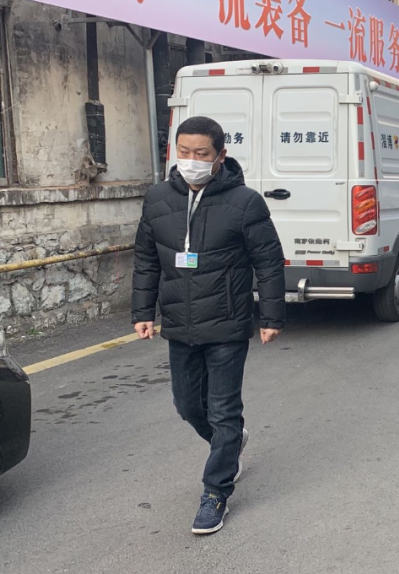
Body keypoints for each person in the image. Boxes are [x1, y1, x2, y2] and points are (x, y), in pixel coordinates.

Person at [132, 115, 287, 535]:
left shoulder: (245, 202)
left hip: (227, 323)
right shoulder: (158, 198)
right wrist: (143, 312)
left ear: (220, 156)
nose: (191, 160)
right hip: (179, 324)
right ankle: (231, 441)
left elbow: (268, 261)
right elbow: (146, 259)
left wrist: (271, 316)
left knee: (223, 410)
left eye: (201, 153)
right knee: (187, 406)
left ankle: (215, 491)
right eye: (184, 152)